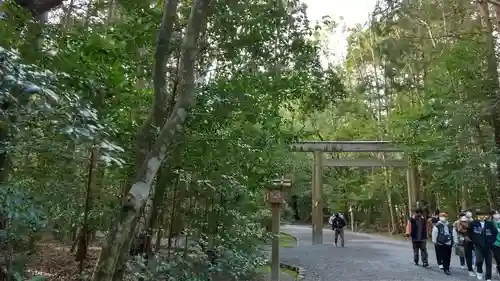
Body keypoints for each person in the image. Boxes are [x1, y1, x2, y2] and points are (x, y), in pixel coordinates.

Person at [468, 210, 498, 281]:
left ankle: (488, 277)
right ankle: (479, 271)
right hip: (478, 245)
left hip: (488, 246)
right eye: (480, 215)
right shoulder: (473, 223)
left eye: (483, 215)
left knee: (488, 262)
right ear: (477, 216)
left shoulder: (490, 223)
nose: (482, 216)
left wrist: (492, 241)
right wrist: (474, 240)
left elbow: (495, 232)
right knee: (479, 260)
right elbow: (469, 233)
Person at [490, 210, 500, 278]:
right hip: (495, 244)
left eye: (498, 213)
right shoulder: (490, 223)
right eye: (495, 214)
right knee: (499, 260)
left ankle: (497, 268)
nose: (497, 215)